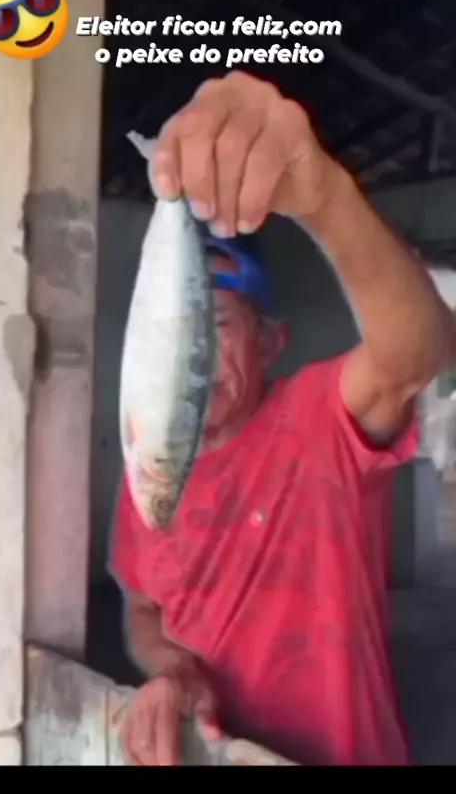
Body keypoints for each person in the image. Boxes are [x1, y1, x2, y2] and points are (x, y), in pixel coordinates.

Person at [111, 71, 455, 766]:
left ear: (271, 343)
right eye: (184, 333)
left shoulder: (316, 418)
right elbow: (142, 608)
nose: (198, 358)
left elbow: (416, 352)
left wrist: (324, 195)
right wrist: (175, 670)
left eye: (219, 326)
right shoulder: (148, 464)